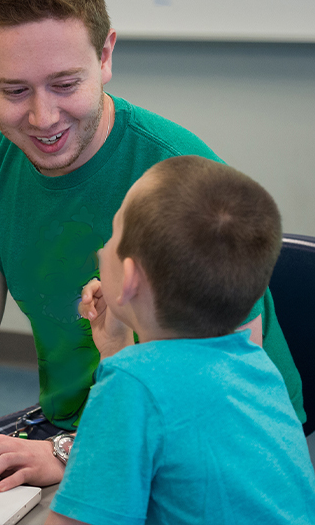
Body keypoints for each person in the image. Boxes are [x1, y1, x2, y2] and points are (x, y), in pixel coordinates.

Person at [0, 0, 304, 492]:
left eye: (66, 84)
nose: (43, 117)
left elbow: (212, 391)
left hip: (209, 440)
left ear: (106, 55)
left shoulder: (179, 178)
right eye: (13, 90)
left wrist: (71, 453)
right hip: (80, 425)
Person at [46, 155, 315, 525]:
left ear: (129, 279)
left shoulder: (132, 384)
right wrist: (115, 348)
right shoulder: (257, 368)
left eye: (112, 234)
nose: (102, 248)